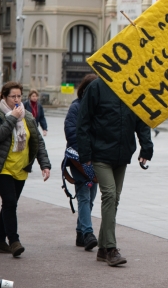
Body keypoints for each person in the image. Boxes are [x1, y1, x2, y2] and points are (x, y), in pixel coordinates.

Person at [76, 78, 154, 267]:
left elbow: (141, 120)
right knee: (110, 195)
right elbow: (83, 121)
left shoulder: (134, 87)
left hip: (122, 154)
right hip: (100, 154)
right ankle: (111, 248)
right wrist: (85, 153)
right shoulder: (97, 87)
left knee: (114, 198)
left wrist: (146, 149)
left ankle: (102, 249)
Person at [0, 81, 51, 257]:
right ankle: (14, 241)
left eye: (19, 96)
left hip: (20, 169)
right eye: (13, 96)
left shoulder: (28, 117)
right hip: (1, 167)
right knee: (10, 202)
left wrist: (45, 165)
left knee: (9, 204)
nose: (17, 100)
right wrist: (12, 117)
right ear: (4, 97)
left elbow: (38, 142)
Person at [64, 74, 99, 251]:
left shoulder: (100, 108)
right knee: (84, 195)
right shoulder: (76, 107)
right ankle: (88, 233)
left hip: (97, 160)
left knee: (91, 198)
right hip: (79, 159)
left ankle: (80, 232)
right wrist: (86, 153)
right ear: (85, 90)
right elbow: (71, 132)